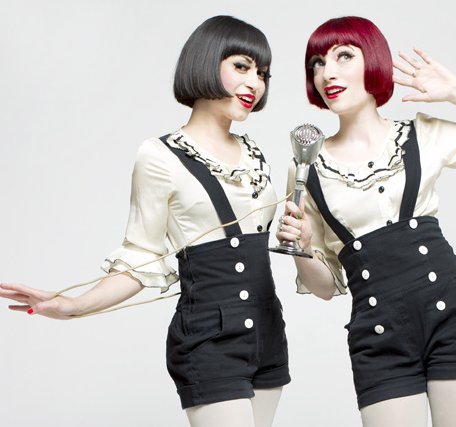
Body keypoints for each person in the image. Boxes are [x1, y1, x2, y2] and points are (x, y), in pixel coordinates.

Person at [0, 15, 289, 427]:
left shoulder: (254, 153)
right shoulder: (159, 156)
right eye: (241, 66)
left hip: (268, 331)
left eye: (262, 74)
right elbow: (141, 257)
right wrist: (73, 306)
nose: (254, 83)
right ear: (206, 61)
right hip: (210, 337)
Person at [276, 16, 456, 427]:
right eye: (317, 63)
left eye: (344, 56)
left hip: (454, 317)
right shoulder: (306, 168)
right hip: (378, 333)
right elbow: (324, 288)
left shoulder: (423, 136)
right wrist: (301, 247)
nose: (328, 73)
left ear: (372, 60)